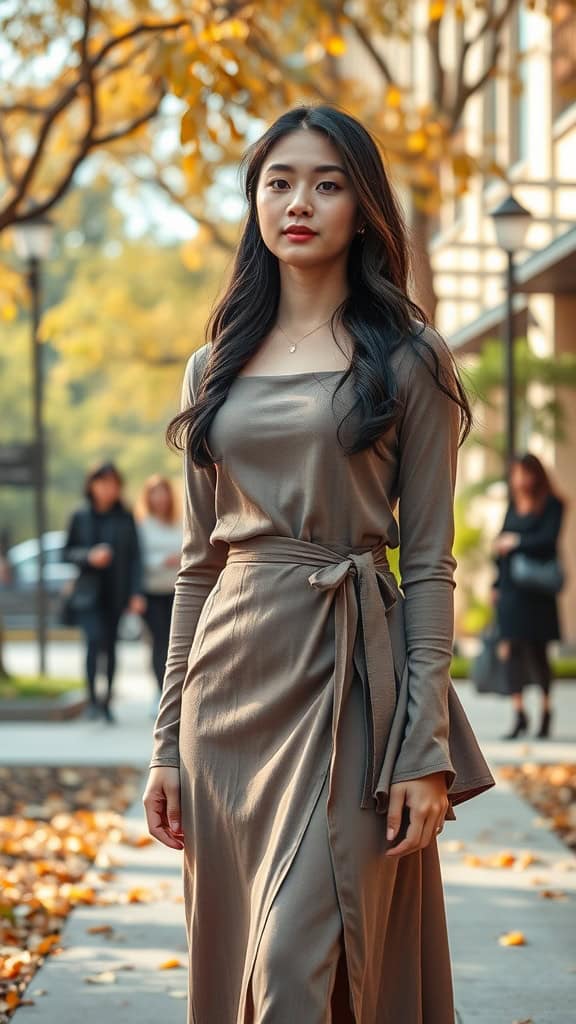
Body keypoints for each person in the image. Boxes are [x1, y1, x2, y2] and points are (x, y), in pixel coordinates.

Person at [143, 105, 495, 1024]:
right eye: (280, 181)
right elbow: (194, 568)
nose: (300, 202)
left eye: (328, 183)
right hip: (229, 698)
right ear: (256, 201)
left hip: (351, 690)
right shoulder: (210, 366)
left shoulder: (409, 360)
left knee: (307, 963)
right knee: (257, 970)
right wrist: (165, 745)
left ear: (363, 207)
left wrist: (424, 749)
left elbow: (427, 564)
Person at [63, 461, 145, 722]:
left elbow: (135, 557)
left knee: (110, 647)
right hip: (88, 594)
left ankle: (107, 701)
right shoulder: (80, 515)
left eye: (112, 484)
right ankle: (91, 701)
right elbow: (67, 552)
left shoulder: (125, 516)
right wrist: (89, 556)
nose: (107, 489)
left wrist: (135, 593)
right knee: (92, 643)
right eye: (102, 483)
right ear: (92, 485)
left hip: (116, 592)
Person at [492, 453, 564, 740]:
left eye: (524, 474)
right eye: (515, 475)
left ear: (536, 475)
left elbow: (548, 541)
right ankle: (519, 714)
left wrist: (517, 541)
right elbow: (499, 546)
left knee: (538, 652)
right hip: (511, 590)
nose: (519, 480)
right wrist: (495, 584)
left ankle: (546, 711)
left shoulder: (553, 505)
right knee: (511, 651)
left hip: (537, 592)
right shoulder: (512, 505)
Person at [136, 475, 182, 699]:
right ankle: (159, 690)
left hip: (178, 591)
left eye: (163, 492)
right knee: (159, 641)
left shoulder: (181, 523)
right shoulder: (142, 526)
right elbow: (137, 559)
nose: (160, 498)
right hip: (152, 593)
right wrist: (162, 561)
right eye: (155, 493)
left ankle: (177, 691)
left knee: (178, 643)